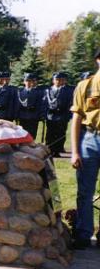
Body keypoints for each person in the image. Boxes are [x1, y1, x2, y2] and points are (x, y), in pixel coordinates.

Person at [70, 49, 100, 250]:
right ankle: (83, 232)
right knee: (85, 190)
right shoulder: (86, 86)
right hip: (91, 139)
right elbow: (77, 119)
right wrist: (75, 151)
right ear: (98, 60)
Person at [45, 71, 74, 157]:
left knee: (61, 133)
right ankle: (49, 149)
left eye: (61, 80)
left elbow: (70, 103)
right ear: (53, 80)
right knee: (50, 133)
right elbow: (45, 103)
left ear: (65, 81)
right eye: (57, 79)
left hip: (62, 115)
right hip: (51, 115)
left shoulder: (68, 90)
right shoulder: (48, 90)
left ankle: (57, 150)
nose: (59, 81)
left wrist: (68, 115)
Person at [17, 73, 45, 140]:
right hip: (22, 115)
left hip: (33, 115)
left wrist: (41, 115)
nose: (30, 83)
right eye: (28, 81)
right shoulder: (19, 92)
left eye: (32, 81)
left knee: (32, 133)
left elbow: (40, 105)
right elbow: (17, 105)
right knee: (22, 133)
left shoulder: (38, 92)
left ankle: (32, 147)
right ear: (24, 82)